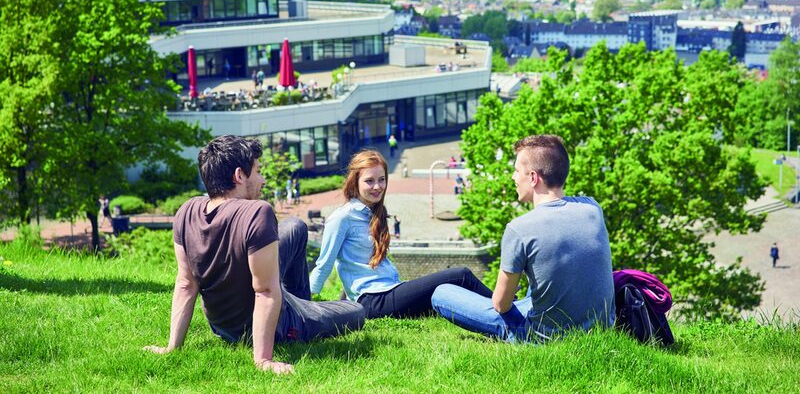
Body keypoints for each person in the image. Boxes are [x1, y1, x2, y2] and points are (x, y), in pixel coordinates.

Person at [145, 135, 364, 374]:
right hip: (265, 325)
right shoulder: (257, 212)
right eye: (258, 171)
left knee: (295, 227)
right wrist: (263, 360)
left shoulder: (187, 210)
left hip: (222, 325)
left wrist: (172, 347)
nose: (263, 179)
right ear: (239, 176)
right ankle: (298, 322)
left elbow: (186, 284)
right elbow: (265, 291)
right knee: (357, 311)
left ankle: (302, 304)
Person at [432, 134, 615, 342]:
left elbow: (501, 305)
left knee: (442, 293)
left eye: (517, 171)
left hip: (543, 337)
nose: (513, 177)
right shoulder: (592, 207)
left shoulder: (520, 229)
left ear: (534, 178)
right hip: (600, 329)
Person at [309, 149, 492, 319]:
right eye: (369, 181)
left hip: (391, 289)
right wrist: (305, 303)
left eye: (381, 179)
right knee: (461, 275)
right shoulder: (342, 218)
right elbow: (324, 264)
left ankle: (497, 318)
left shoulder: (376, 212)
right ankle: (511, 310)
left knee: (448, 295)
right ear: (355, 182)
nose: (377, 186)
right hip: (374, 300)